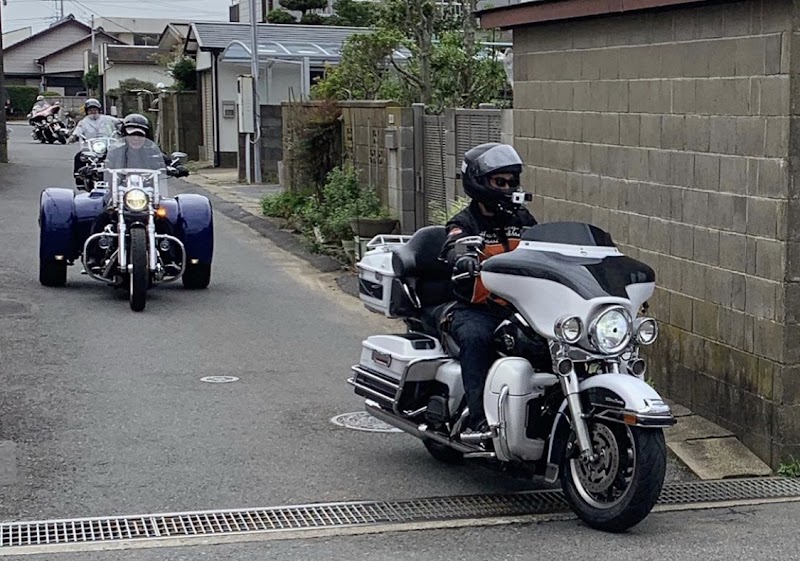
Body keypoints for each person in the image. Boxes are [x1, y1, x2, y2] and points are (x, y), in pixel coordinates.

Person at [439, 142, 537, 437]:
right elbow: (453, 243)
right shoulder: (464, 222)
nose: (508, 188)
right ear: (478, 183)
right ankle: (479, 421)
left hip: (519, 308)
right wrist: (463, 256)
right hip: (474, 309)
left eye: (512, 181)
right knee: (477, 338)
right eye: (500, 181)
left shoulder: (522, 220)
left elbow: (546, 247)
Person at [69, 98, 120, 185]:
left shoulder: (108, 119)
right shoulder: (83, 122)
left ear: (99, 110)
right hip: (90, 148)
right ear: (87, 111)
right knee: (78, 157)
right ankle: (79, 178)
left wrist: (124, 126)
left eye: (95, 110)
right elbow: (77, 131)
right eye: (90, 110)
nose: (93, 112)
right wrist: (73, 137)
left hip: (109, 146)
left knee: (121, 155)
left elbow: (120, 122)